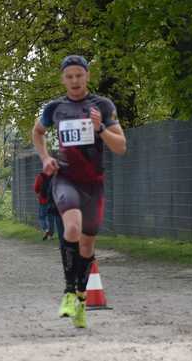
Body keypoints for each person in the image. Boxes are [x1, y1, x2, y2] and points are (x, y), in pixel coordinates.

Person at [32, 55, 127, 328]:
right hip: (65, 178)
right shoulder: (55, 108)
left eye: (79, 75)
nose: (74, 80)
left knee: (87, 246)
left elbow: (120, 146)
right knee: (71, 229)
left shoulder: (103, 106)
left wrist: (100, 130)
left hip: (93, 184)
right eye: (69, 76)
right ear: (62, 79)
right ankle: (68, 292)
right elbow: (37, 133)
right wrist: (45, 158)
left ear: (87, 76)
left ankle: (81, 299)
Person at [34, 172, 55, 240]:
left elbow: (36, 188)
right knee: (50, 218)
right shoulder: (54, 176)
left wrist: (38, 193)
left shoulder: (40, 176)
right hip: (52, 200)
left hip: (43, 200)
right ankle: (50, 236)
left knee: (42, 217)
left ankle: (46, 229)